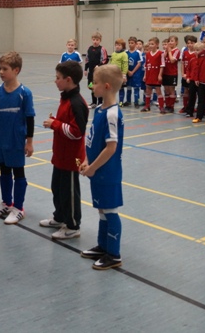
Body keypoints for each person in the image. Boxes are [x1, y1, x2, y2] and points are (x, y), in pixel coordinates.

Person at [79, 64, 124, 270]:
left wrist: (94, 167)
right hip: (97, 171)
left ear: (106, 86)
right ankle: (103, 246)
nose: (91, 86)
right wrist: (87, 161)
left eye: (95, 83)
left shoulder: (112, 114)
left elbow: (111, 148)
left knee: (110, 210)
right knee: (101, 209)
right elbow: (92, 141)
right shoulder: (99, 109)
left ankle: (113, 254)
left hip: (107, 172)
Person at [0, 51, 36, 225]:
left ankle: (19, 208)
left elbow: (30, 118)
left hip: (16, 139)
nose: (1, 72)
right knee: (4, 170)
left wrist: (29, 142)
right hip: (0, 138)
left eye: (4, 69)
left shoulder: (24, 93)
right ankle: (7, 203)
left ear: (16, 70)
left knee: (18, 172)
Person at [40, 61, 89, 239]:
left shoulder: (77, 103)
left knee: (70, 192)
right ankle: (60, 217)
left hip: (72, 157)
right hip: (60, 154)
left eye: (58, 78)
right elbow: (66, 123)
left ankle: (73, 225)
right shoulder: (66, 98)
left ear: (68, 80)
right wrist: (57, 121)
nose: (55, 81)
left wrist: (55, 124)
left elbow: (77, 132)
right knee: (58, 188)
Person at [140, 37, 165, 113]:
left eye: (152, 44)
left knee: (158, 90)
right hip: (149, 74)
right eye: (150, 44)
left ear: (157, 44)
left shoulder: (160, 53)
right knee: (148, 90)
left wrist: (160, 75)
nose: (150, 46)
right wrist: (145, 75)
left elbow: (162, 65)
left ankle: (161, 107)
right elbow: (146, 65)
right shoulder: (147, 54)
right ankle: (147, 106)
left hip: (156, 74)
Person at [84, 32, 108, 108]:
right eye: (94, 39)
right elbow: (87, 59)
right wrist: (85, 69)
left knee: (99, 86)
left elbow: (105, 59)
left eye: (97, 40)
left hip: (99, 72)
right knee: (91, 86)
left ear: (100, 40)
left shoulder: (102, 49)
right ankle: (94, 102)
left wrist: (99, 65)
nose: (95, 41)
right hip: (91, 72)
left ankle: (100, 102)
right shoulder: (89, 48)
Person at [162, 35, 180, 113]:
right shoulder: (166, 51)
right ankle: (167, 105)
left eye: (172, 41)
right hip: (165, 72)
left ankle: (171, 106)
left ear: (176, 42)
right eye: (169, 41)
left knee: (171, 89)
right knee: (166, 90)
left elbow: (172, 60)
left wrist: (169, 52)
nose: (170, 42)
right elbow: (162, 58)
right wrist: (166, 51)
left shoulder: (176, 51)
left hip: (172, 73)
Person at [179, 35, 197, 113]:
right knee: (185, 91)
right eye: (188, 43)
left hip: (193, 76)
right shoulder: (185, 52)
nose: (190, 45)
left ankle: (192, 106)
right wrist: (183, 73)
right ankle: (185, 106)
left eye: (192, 43)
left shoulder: (196, 53)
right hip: (186, 75)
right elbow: (182, 63)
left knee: (193, 92)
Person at [184, 41, 203, 118]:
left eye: (198, 50)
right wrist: (188, 77)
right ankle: (189, 111)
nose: (196, 52)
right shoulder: (192, 60)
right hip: (192, 80)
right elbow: (188, 69)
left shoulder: (203, 60)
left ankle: (201, 111)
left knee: (201, 97)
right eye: (195, 50)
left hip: (200, 81)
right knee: (191, 96)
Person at [124, 36, 143, 107]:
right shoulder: (126, 52)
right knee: (128, 87)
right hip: (128, 72)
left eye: (132, 43)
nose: (130, 44)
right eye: (129, 43)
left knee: (136, 88)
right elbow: (124, 63)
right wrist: (128, 71)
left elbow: (139, 63)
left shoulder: (138, 53)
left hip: (136, 73)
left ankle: (136, 102)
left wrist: (132, 72)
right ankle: (128, 101)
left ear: (135, 44)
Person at [110, 38, 128, 106]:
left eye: (119, 45)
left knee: (121, 88)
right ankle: (112, 101)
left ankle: (121, 101)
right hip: (113, 74)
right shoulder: (113, 54)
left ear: (123, 46)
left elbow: (125, 65)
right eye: (116, 45)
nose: (117, 46)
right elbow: (111, 62)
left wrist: (124, 74)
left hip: (120, 74)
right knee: (112, 88)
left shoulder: (124, 54)